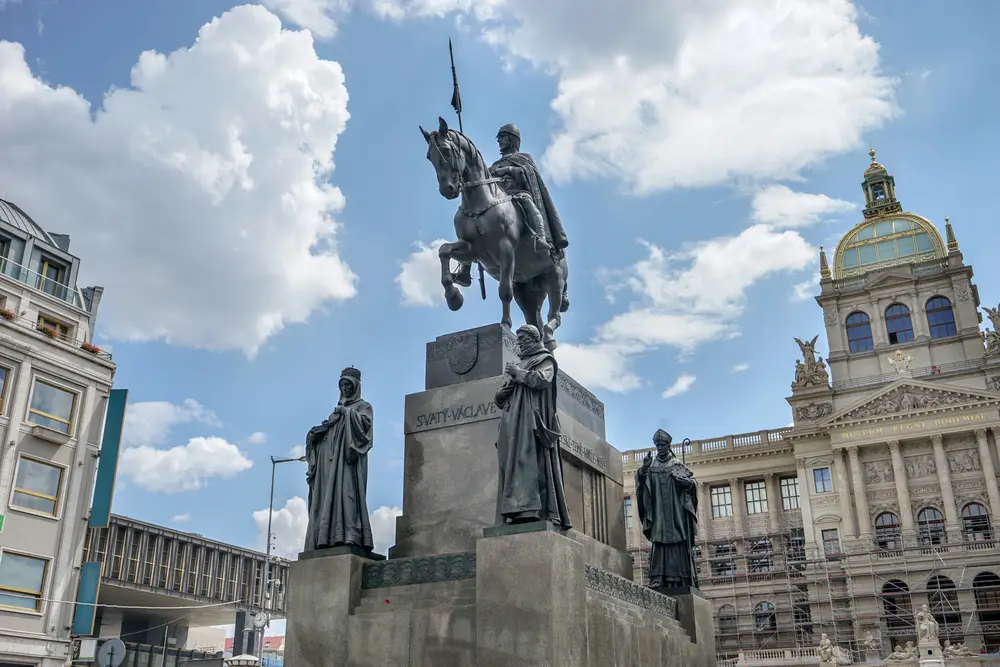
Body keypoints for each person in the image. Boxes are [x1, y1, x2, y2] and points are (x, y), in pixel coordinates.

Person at [452, 124, 569, 288]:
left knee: (529, 205)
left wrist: (508, 170)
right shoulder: (494, 164)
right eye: (499, 138)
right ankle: (465, 269)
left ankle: (542, 240)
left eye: (503, 137)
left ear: (513, 139)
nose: (499, 140)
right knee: (472, 216)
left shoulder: (523, 157)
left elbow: (527, 173)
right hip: (498, 201)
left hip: (519, 195)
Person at [493, 324, 572, 527]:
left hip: (530, 422)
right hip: (512, 422)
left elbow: (541, 380)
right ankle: (514, 511)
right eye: (518, 340)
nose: (520, 343)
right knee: (512, 465)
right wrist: (502, 393)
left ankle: (531, 510)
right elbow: (501, 396)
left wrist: (518, 373)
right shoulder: (518, 363)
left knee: (528, 464)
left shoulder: (545, 360)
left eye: (523, 340)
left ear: (533, 339)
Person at [303, 367, 375, 551]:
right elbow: (329, 431)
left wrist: (345, 412)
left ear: (356, 386)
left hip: (347, 461)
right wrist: (317, 434)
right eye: (342, 385)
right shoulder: (335, 411)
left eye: (348, 385)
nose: (345, 388)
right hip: (329, 461)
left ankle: (350, 534)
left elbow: (365, 428)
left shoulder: (362, 407)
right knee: (329, 498)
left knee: (348, 494)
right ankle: (326, 537)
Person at [634, 430, 699, 589]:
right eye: (658, 445)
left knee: (679, 542)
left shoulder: (677, 464)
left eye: (663, 445)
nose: (660, 448)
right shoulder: (652, 466)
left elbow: (692, 483)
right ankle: (658, 578)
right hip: (659, 513)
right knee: (659, 542)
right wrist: (643, 469)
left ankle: (684, 578)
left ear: (668, 446)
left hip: (676, 512)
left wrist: (687, 484)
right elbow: (641, 482)